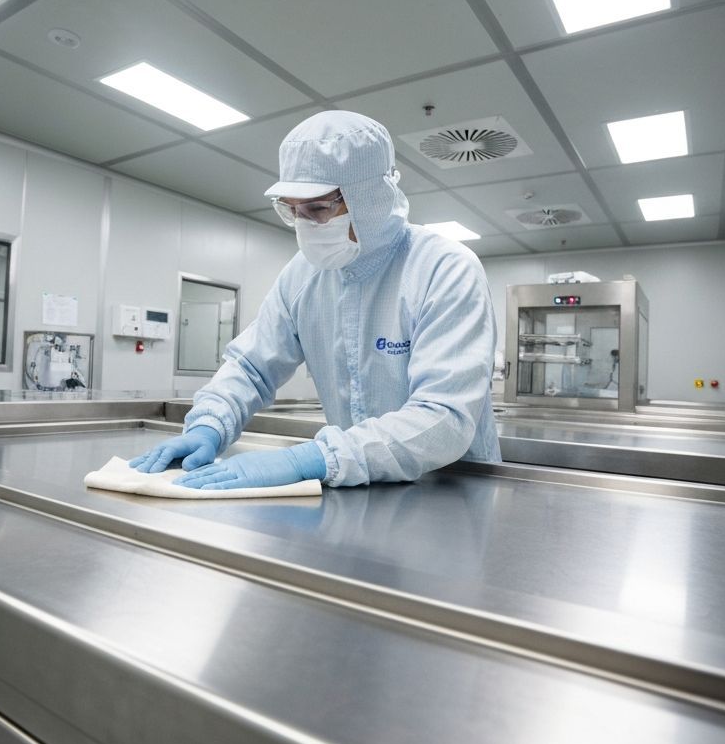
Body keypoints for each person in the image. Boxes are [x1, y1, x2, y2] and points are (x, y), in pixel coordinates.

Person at [130, 110, 501, 490]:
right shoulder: (303, 275)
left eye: (319, 209)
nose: (305, 225)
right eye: (293, 211)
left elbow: (444, 418)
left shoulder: (444, 268)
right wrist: (210, 423)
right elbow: (251, 367)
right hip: (356, 484)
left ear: (371, 196)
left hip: (449, 488)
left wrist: (312, 459)